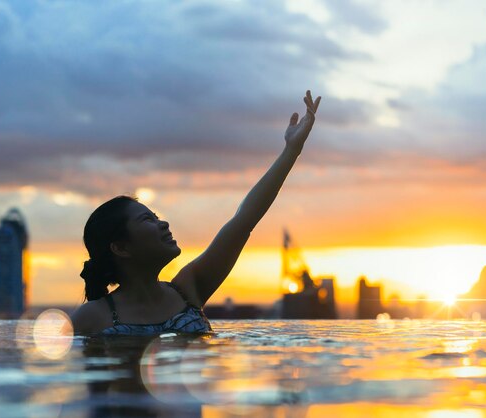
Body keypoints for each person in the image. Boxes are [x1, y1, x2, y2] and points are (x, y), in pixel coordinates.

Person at [70, 90, 321, 336]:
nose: (164, 223)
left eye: (157, 217)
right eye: (148, 220)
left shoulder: (188, 288)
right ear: (120, 247)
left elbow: (244, 221)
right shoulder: (91, 317)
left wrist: (291, 150)